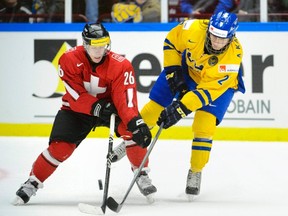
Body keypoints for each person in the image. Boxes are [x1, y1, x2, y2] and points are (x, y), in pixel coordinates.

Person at [12, 22, 157, 205]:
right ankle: (33, 181)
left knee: (134, 131)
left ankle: (141, 173)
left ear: (108, 43)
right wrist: (97, 106)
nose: (98, 51)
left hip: (110, 111)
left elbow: (125, 102)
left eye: (102, 45)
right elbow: (75, 96)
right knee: (60, 148)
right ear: (85, 44)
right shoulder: (68, 59)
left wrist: (136, 123)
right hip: (76, 111)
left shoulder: (121, 65)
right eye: (93, 46)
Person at [113, 10, 245, 199]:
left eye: (221, 39)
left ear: (231, 38)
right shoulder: (193, 28)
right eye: (213, 36)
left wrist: (180, 109)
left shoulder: (232, 59)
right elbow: (171, 42)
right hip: (185, 69)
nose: (216, 42)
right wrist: (173, 70)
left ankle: (196, 170)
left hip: (216, 86)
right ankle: (129, 140)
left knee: (204, 125)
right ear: (209, 29)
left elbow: (206, 91)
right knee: (153, 109)